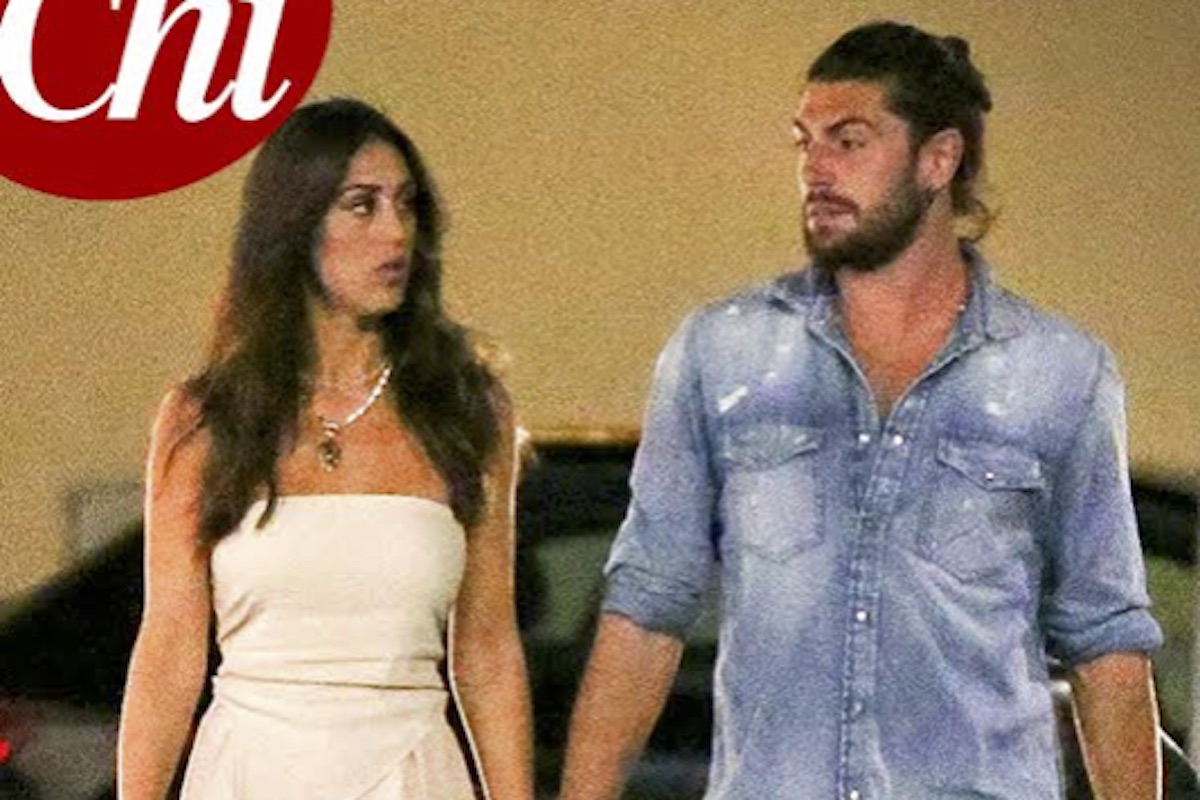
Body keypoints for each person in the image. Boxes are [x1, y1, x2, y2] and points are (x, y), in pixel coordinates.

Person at [562, 21, 1164, 800]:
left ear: (938, 160)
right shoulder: (723, 355)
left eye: (849, 142)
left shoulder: (1059, 375)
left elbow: (1106, 642)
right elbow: (647, 608)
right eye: (804, 142)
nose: (816, 169)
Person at [117, 98, 533, 800]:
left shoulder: (464, 409)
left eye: (406, 205)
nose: (395, 232)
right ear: (296, 225)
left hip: (413, 775)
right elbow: (169, 648)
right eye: (361, 206)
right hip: (247, 774)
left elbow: (488, 651)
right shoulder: (207, 418)